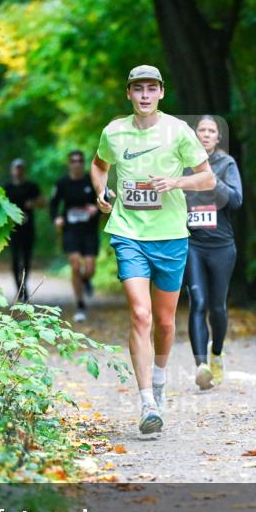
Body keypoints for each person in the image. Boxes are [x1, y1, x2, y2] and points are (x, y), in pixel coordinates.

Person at [91, 64, 215, 435]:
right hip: (128, 233)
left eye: (151, 88)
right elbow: (99, 167)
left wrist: (175, 181)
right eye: (137, 89)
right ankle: (146, 401)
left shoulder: (178, 131)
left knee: (164, 322)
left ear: (161, 92)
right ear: (128, 93)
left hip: (171, 235)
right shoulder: (114, 131)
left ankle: (159, 379)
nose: (144, 95)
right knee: (141, 316)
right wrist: (101, 191)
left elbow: (207, 176)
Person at [183, 115, 243, 390]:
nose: (206, 135)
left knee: (217, 306)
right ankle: (201, 366)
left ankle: (216, 353)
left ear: (218, 138)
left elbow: (236, 200)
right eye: (201, 130)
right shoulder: (183, 165)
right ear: (195, 135)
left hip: (221, 245)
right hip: (192, 243)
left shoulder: (226, 164)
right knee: (198, 302)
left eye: (211, 131)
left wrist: (211, 179)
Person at [50, 150, 100, 322]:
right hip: (70, 230)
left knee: (90, 269)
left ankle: (86, 280)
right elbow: (54, 203)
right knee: (75, 265)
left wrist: (96, 208)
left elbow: (103, 199)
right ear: (69, 163)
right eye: (73, 161)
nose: (77, 163)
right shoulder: (62, 183)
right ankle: (80, 304)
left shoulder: (91, 181)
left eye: (80, 161)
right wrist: (56, 218)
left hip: (89, 231)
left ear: (83, 163)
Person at [3, 158, 42, 302]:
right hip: (12, 229)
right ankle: (19, 287)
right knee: (14, 259)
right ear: (12, 170)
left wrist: (33, 203)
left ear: (24, 170)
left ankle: (24, 286)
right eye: (16, 168)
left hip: (28, 229)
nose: (18, 171)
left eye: (21, 168)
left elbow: (43, 202)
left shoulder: (31, 186)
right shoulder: (6, 188)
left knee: (26, 259)